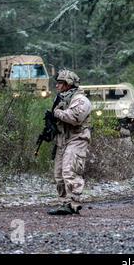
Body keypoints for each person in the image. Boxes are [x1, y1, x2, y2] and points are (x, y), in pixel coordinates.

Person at [47, 70, 92, 216]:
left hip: (77, 139)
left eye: (60, 83)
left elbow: (74, 117)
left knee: (69, 171)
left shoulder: (81, 99)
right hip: (62, 140)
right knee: (59, 174)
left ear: (68, 84)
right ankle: (64, 203)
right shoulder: (61, 99)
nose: (57, 86)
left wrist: (57, 113)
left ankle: (74, 203)